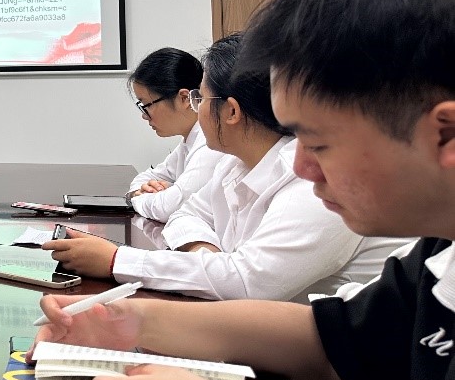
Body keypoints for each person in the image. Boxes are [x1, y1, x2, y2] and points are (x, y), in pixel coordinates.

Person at [33, 0, 455, 380]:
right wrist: (130, 322)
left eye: (318, 142)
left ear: (444, 135)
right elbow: (328, 341)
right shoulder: (440, 252)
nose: (301, 166)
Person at [44, 33, 409, 301]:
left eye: (201, 98)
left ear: (231, 111)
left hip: (323, 372)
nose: (196, 108)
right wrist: (208, 256)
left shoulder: (313, 182)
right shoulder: (234, 162)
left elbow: (248, 285)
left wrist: (116, 260)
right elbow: (185, 214)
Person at [126, 47, 227, 221]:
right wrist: (138, 191)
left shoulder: (210, 143)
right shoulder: (190, 140)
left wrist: (137, 198)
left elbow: (169, 208)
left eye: (146, 105)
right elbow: (147, 177)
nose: (144, 115)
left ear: (184, 98)